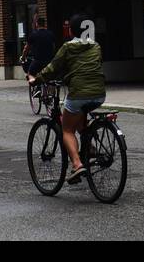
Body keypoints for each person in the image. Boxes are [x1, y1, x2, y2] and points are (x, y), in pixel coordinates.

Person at [28, 14, 105, 184]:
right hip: (100, 93)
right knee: (78, 117)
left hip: (79, 93)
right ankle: (89, 147)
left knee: (67, 129)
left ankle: (77, 164)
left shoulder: (68, 47)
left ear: (70, 30)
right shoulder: (96, 45)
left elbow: (53, 68)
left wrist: (37, 79)